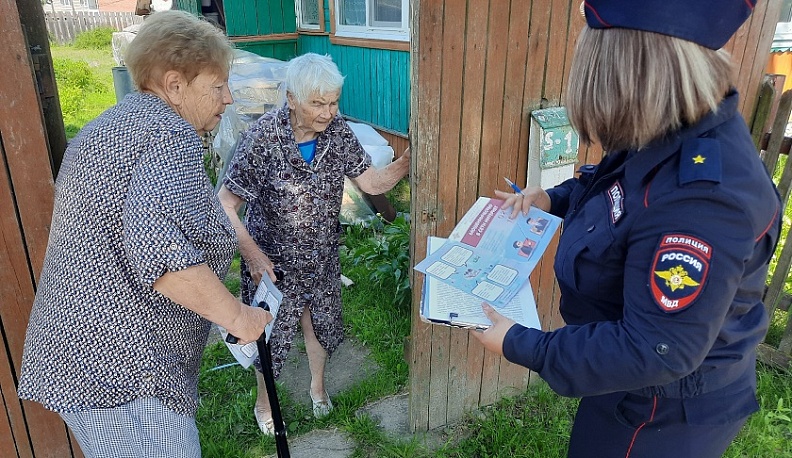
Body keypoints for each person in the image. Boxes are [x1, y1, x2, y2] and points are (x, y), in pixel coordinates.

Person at [472, 1, 781, 457]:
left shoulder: (701, 201)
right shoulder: (672, 127)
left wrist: (522, 344)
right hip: (628, 385)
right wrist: (552, 198)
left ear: (633, 76)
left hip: (662, 414)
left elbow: (655, 347)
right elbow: (618, 189)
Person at [16, 11, 272, 458]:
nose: (228, 98)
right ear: (175, 85)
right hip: (126, 372)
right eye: (217, 85)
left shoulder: (116, 123)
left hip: (86, 357)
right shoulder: (168, 132)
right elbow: (160, 252)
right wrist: (239, 318)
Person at [217, 52, 410, 435]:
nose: (328, 113)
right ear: (291, 99)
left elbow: (370, 183)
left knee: (320, 326)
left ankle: (318, 389)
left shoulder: (337, 133)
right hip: (272, 262)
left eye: (334, 102)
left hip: (321, 258)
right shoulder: (262, 139)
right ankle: (265, 402)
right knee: (268, 336)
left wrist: (410, 159)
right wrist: (252, 255)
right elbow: (225, 204)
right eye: (318, 103)